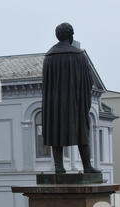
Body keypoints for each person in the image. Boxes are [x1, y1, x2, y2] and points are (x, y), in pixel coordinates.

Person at [42, 23, 99, 174]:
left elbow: (46, 84)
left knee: (56, 131)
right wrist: (84, 101)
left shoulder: (49, 57)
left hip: (55, 104)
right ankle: (87, 166)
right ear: (71, 36)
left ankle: (59, 167)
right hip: (75, 103)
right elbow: (88, 82)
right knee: (82, 131)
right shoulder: (79, 55)